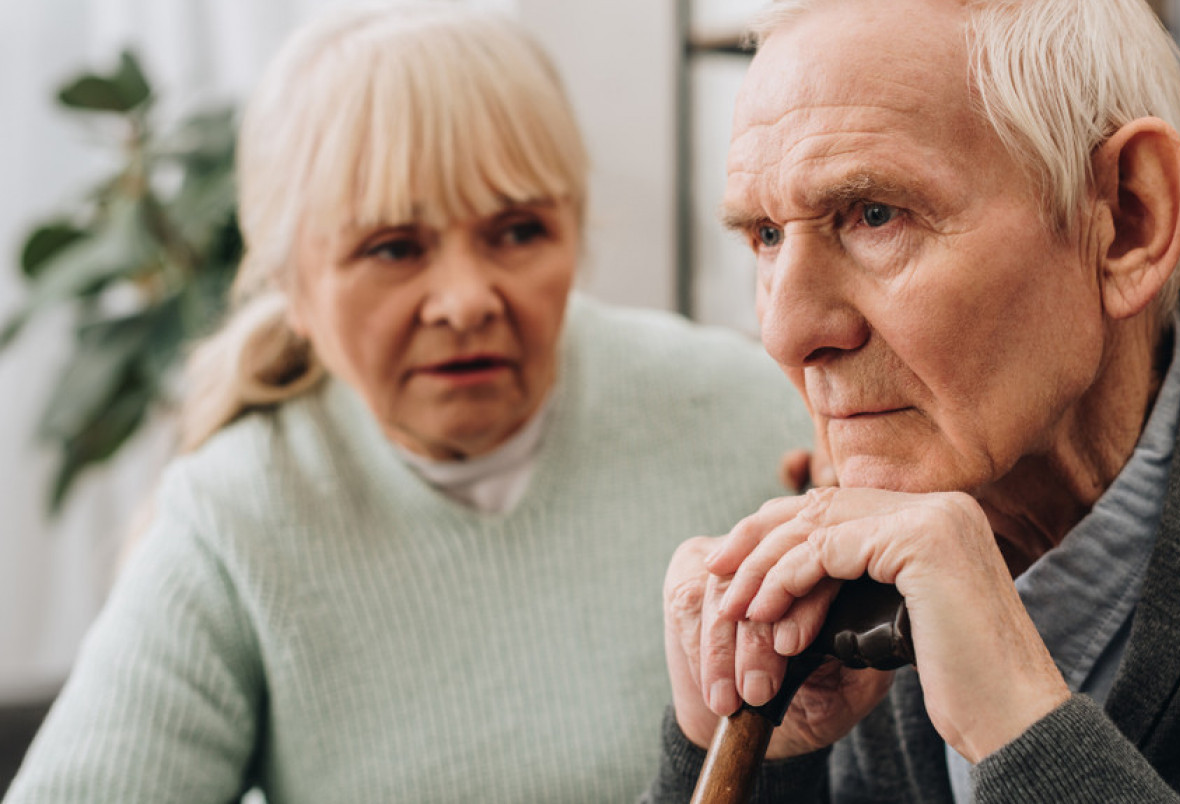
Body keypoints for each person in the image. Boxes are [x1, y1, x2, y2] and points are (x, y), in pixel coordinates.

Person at [4, 4, 812, 802]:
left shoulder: (749, 414)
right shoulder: (235, 513)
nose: (464, 301)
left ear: (575, 232)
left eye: (517, 231)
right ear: (291, 284)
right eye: (393, 248)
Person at [644, 0, 1180, 801]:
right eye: (765, 235)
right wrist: (751, 757)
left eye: (875, 215)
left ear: (1127, 222)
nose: (787, 330)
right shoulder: (850, 559)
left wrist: (1021, 727)